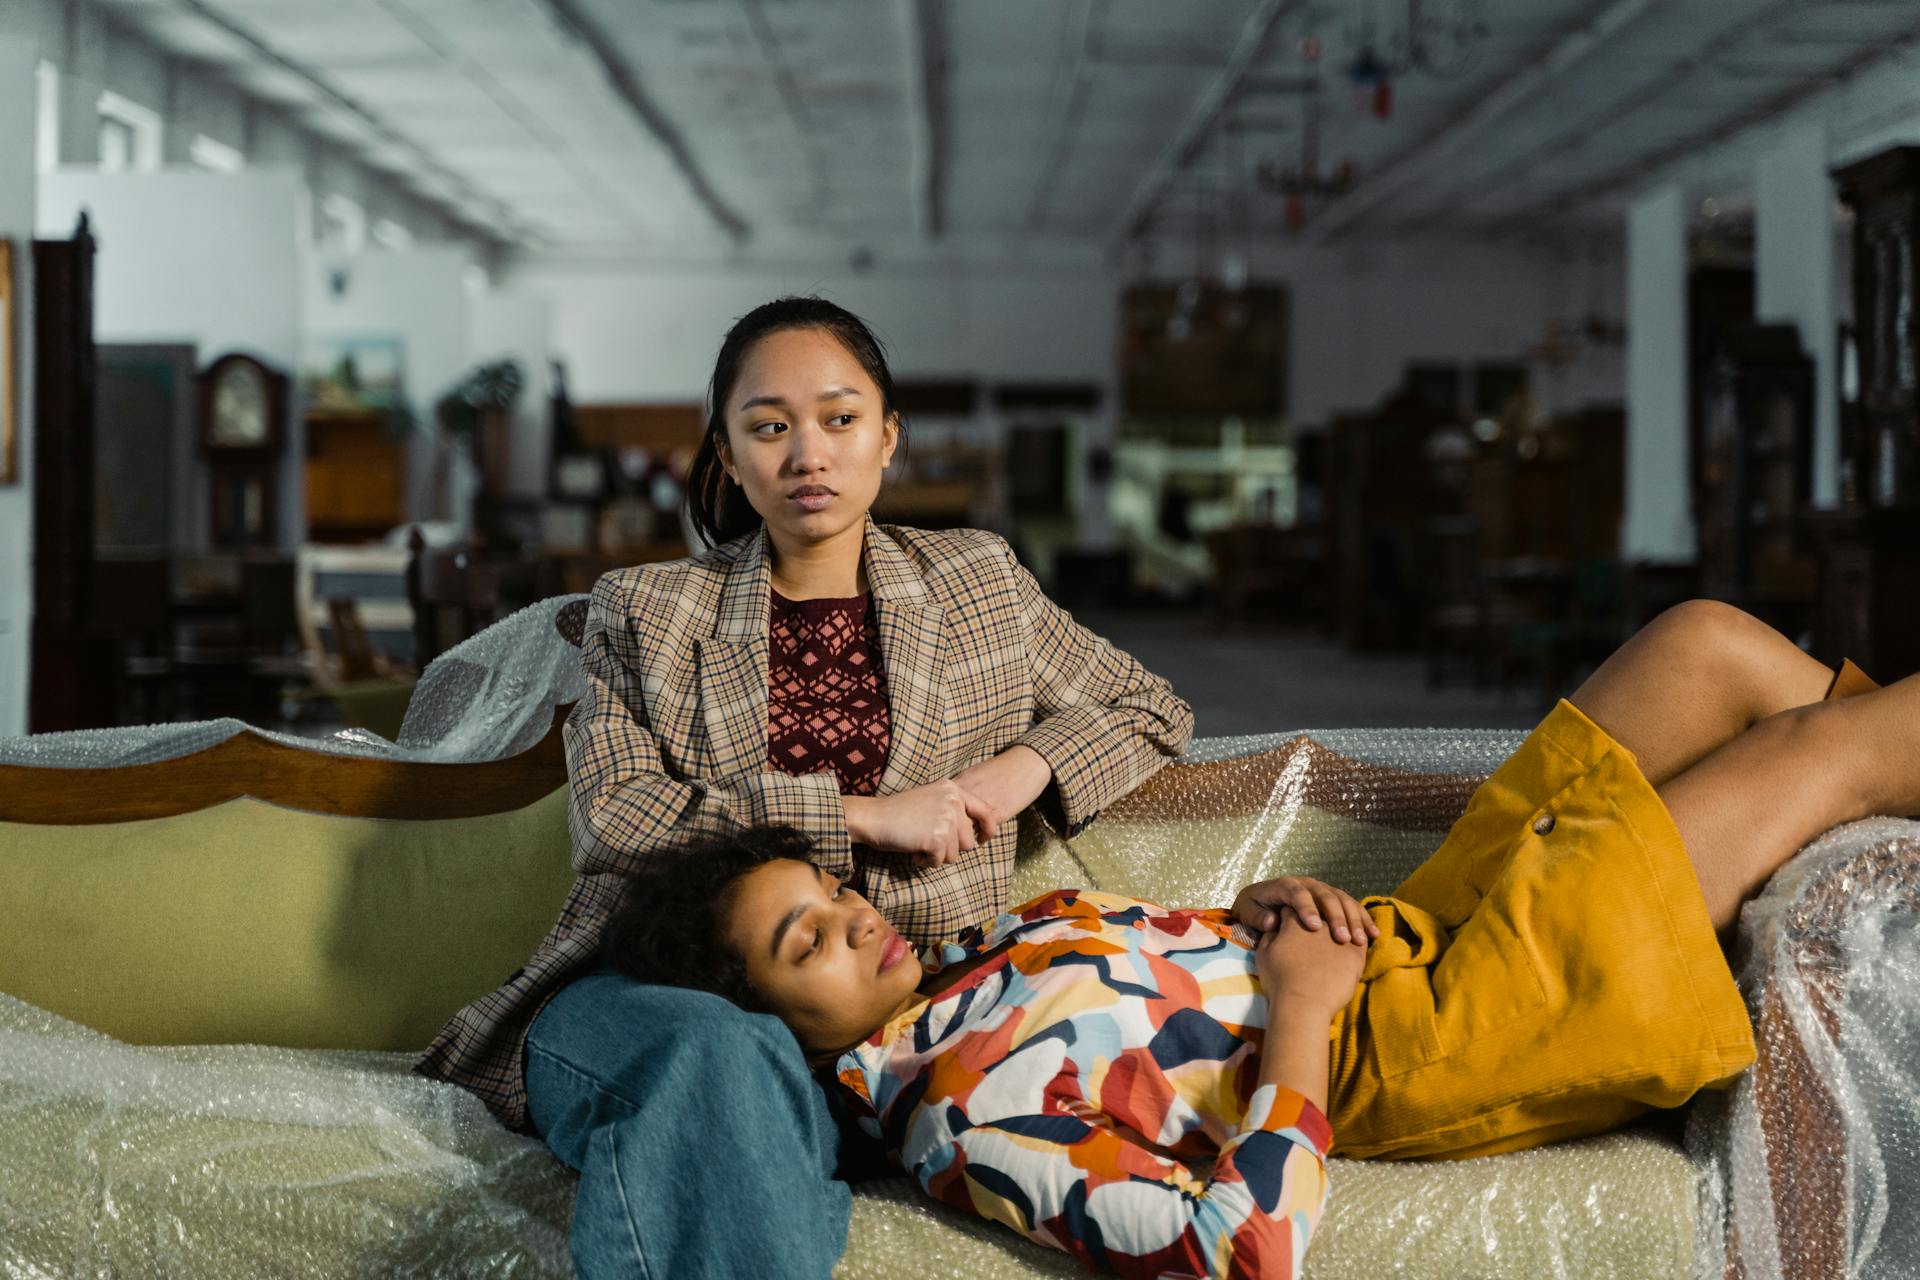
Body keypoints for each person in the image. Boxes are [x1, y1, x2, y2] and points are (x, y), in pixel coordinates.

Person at [599, 640, 1914, 1278]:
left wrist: (1265, 918)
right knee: (1809, 756)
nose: (854, 917)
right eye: (807, 941)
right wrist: (1300, 1010)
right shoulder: (964, 1114)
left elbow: (1176, 982)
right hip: (1421, 1035)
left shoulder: (980, 959)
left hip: (1396, 939)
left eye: (830, 892)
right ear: (773, 1023)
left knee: (1705, 646)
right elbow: (1237, 1255)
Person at [414, 297, 1194, 1279]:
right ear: (730, 456)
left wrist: (1018, 769)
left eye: (839, 417)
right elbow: (617, 816)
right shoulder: (648, 609)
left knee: (771, 1089)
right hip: (666, 994)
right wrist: (862, 814)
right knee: (720, 1055)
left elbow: (1148, 705)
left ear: (888, 437)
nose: (807, 454)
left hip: (900, 1031)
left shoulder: (978, 580)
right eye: (769, 426)